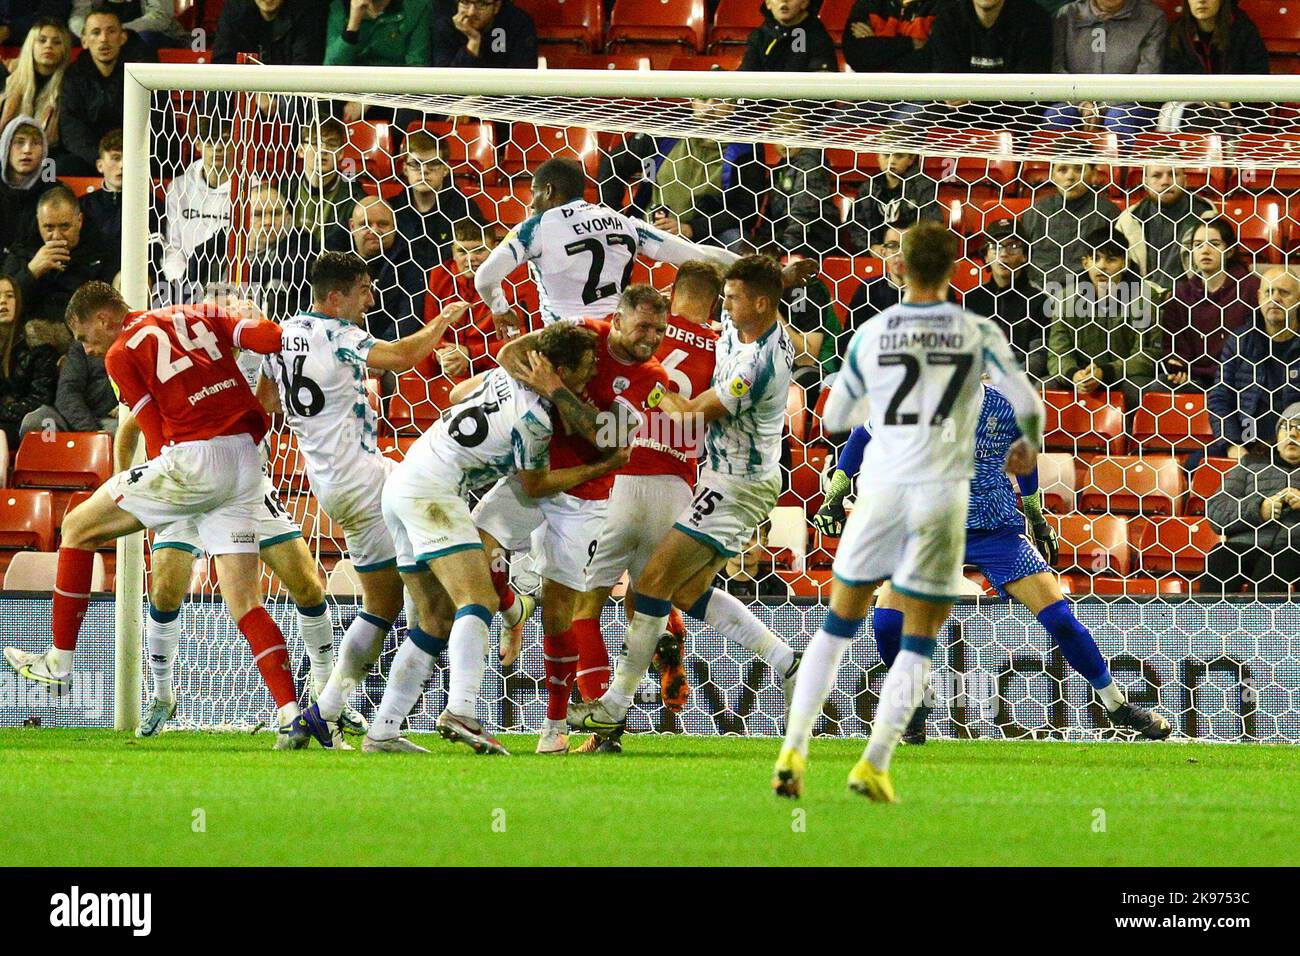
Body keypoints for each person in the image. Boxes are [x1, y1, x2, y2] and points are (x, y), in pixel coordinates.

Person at [773, 222, 1044, 802]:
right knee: (921, 637)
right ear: (955, 267)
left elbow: (836, 418)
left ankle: (794, 748)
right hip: (941, 495)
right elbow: (1027, 403)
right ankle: (874, 763)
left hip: (883, 489)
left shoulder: (874, 332)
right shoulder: (976, 330)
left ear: (899, 268)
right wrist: (1026, 446)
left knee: (838, 624)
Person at [2, 282, 314, 748]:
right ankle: (292, 715)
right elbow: (268, 337)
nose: (87, 349)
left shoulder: (120, 353)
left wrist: (157, 481)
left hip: (192, 462)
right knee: (245, 601)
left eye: (87, 338)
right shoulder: (199, 313)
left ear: (106, 319)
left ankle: (60, 660)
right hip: (247, 462)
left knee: (77, 527)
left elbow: (149, 427)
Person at [317, 321, 624, 754]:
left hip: (407, 480)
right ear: (559, 370)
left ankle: (382, 731)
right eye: (587, 367)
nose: (594, 374)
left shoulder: (505, 375)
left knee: (434, 620)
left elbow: (457, 395)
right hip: (434, 495)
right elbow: (535, 485)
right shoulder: (535, 418)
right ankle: (462, 709)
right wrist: (601, 466)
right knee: (476, 601)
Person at [814, 389, 1171, 746]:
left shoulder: (1003, 406)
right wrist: (834, 496)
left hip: (996, 530)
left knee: (1059, 618)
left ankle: (1118, 706)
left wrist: (1037, 518)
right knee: (887, 621)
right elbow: (862, 435)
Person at [567, 257, 805, 751]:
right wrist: (784, 277)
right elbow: (755, 298)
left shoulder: (755, 363)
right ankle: (789, 665)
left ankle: (612, 706)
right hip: (702, 478)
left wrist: (651, 389)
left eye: (735, 299)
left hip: (729, 482)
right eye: (726, 295)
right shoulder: (741, 330)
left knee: (644, 585)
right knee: (686, 591)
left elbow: (694, 412)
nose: (727, 305)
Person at [254, 251, 467, 750]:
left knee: (391, 598)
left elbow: (264, 402)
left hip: (333, 482)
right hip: (368, 482)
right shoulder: (338, 334)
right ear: (335, 296)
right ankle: (383, 719)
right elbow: (401, 358)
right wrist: (441, 319)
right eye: (364, 290)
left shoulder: (279, 335)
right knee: (428, 591)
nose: (370, 299)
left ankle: (326, 713)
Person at [475, 286, 675, 753]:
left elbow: (608, 440)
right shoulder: (585, 334)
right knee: (473, 549)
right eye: (643, 327)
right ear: (619, 319)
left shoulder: (652, 376)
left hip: (584, 500)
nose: (651, 338)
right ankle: (510, 607)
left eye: (660, 330)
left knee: (559, 611)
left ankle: (555, 727)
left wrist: (556, 389)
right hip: (533, 474)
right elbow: (510, 352)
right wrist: (552, 391)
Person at [474, 158, 809, 331]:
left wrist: (501, 310)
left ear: (547, 191)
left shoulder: (537, 227)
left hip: (564, 345)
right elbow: (699, 256)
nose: (531, 202)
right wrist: (772, 272)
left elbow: (485, 277)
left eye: (533, 194)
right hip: (619, 338)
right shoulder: (624, 222)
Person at [1046, 227, 1161, 410]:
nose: (1102, 266)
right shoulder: (1065, 299)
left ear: (1125, 263)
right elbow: (1057, 352)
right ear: (1085, 263)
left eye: (1111, 259)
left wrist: (1105, 373)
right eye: (1095, 258)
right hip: (1081, 375)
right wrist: (1074, 375)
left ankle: (1133, 438)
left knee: (1138, 389)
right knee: (1044, 388)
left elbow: (1147, 355)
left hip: (1124, 376)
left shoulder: (1144, 297)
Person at [188, 181, 317, 323]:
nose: (268, 221)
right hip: (218, 329)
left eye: (276, 213)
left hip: (275, 330)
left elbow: (299, 272)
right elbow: (189, 286)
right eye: (258, 214)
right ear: (243, 218)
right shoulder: (215, 247)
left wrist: (247, 270)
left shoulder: (301, 242)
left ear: (287, 216)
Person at [1204, 408, 1300, 595]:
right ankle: (1211, 622)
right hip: (1248, 541)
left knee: (1271, 571)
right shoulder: (1251, 464)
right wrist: (1261, 509)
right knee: (1221, 556)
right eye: (1285, 427)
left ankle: (1260, 624)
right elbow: (1216, 511)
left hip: (1292, 547)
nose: (1292, 433)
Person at [1209, 268, 1300, 459]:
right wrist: (1233, 445)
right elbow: (1219, 398)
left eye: (1284, 292)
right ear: (1259, 298)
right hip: (1247, 443)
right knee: (1191, 466)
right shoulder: (1239, 341)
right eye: (1268, 292)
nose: (1275, 298)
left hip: (1294, 446)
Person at [1158, 216, 1257, 391]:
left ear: (1229, 250)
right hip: (1195, 378)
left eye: (1214, 244)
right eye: (1198, 245)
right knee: (1158, 387)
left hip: (1240, 378)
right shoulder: (1181, 294)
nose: (1205, 250)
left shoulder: (1251, 288)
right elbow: (1173, 345)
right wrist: (1179, 366)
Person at [418, 220, 522, 383]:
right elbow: (431, 328)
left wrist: (471, 354)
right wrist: (442, 354)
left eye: (479, 250)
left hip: (498, 371)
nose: (470, 258)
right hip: (449, 368)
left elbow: (521, 340)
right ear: (452, 252)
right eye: (462, 251)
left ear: (495, 248)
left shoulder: (515, 280)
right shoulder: (439, 276)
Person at [58, 4, 157, 175]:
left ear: (123, 37)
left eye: (111, 31)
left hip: (136, 156)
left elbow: (157, 123)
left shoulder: (142, 73)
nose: (104, 39)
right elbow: (72, 130)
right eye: (96, 32)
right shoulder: (73, 77)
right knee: (62, 167)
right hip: (92, 159)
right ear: (84, 41)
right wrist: (102, 160)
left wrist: (126, 158)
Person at [1049, 0, 1167, 138]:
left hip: (1131, 104)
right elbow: (1057, 69)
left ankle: (1121, 160)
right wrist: (1081, 104)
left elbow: (1147, 76)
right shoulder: (1067, 14)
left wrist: (1102, 107)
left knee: (1119, 117)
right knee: (1057, 114)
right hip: (1075, 101)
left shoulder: (1152, 17)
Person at [3, 185, 119, 323]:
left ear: (79, 220)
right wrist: (32, 272)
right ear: (39, 221)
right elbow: (5, 303)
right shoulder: (22, 250)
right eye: (49, 227)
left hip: (82, 333)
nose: (57, 236)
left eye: (65, 226)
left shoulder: (103, 249)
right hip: (26, 335)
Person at [326, 195, 428, 340]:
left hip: (387, 353)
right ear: (352, 226)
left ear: (394, 226)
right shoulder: (333, 260)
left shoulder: (411, 262)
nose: (374, 231)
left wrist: (374, 352)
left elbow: (408, 319)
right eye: (365, 224)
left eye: (382, 224)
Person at [1017, 152, 1122, 291]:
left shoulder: (1108, 213)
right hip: (1038, 295)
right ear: (1052, 175)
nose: (1070, 177)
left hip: (1088, 296)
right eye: (1062, 170)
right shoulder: (1035, 212)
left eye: (1079, 169)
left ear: (1094, 175)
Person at [1161, 0, 1269, 133]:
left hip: (1240, 113)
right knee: (1191, 112)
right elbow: (1171, 82)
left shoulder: (1244, 31)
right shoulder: (1177, 33)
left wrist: (1232, 101)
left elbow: (1259, 81)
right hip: (1192, 107)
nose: (1201, 1)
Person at [963, 219, 1051, 379]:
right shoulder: (970, 300)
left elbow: (1039, 356)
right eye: (995, 247)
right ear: (985, 255)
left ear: (1025, 255)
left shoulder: (1039, 301)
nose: (1003, 254)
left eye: (1013, 246)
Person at [160, 116, 235, 295]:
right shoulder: (179, 188)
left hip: (232, 286)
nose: (218, 147)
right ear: (198, 145)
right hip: (186, 283)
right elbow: (173, 246)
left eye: (225, 140)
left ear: (236, 144)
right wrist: (180, 282)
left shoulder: (251, 189)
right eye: (210, 141)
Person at [1115, 165, 1215, 298]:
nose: (1165, 182)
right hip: (1140, 302)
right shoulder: (1129, 220)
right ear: (1145, 182)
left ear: (1185, 180)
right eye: (1156, 176)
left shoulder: (1204, 216)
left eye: (1173, 175)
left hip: (1190, 301)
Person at [394, 130, 482, 274]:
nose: (424, 170)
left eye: (433, 163)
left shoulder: (464, 209)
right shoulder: (392, 209)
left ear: (446, 169)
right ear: (405, 168)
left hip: (448, 291)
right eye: (416, 164)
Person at [754, 114, 839, 257]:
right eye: (779, 135)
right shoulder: (780, 168)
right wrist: (764, 240)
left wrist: (785, 246)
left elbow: (805, 209)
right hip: (787, 237)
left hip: (813, 239)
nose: (785, 142)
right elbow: (771, 212)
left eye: (792, 135)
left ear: (805, 137)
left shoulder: (811, 165)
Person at [0, 273, 67, 446]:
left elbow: (41, 399)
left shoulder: (38, 346)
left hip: (26, 424)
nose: (3, 301)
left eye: (9, 295)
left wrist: (4, 411)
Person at [18, 325, 118, 438]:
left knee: (123, 433)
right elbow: (67, 391)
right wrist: (90, 431)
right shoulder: (81, 346)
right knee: (37, 421)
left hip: (110, 420)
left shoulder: (130, 344)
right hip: (75, 418)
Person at [0, 18, 72, 174]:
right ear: (30, 45)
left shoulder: (71, 86)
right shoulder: (7, 75)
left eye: (56, 42)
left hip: (48, 156)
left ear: (65, 49)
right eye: (42, 40)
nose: (48, 46)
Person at [845, 151, 940, 255]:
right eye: (886, 155)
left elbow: (932, 224)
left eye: (899, 156)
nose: (891, 161)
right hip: (878, 254)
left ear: (911, 159)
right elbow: (855, 226)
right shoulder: (868, 188)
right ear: (877, 156)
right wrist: (871, 247)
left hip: (913, 254)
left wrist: (912, 246)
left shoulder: (923, 187)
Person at [925, 0, 1052, 74]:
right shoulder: (948, 18)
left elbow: (1029, 88)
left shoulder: (1035, 19)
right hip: (956, 115)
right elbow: (948, 88)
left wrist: (969, 92)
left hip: (1017, 114)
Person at [293, 117, 364, 236]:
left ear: (341, 153)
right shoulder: (283, 190)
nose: (323, 150)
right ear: (301, 150)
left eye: (331, 144)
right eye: (315, 143)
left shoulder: (355, 198)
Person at [0, 114, 53, 257]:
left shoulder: (53, 193)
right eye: (19, 142)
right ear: (6, 147)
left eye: (36, 143)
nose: (27, 150)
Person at [213, 0, 329, 66]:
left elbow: (303, 68)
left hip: (289, 94)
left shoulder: (308, 12)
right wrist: (254, 92)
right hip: (245, 92)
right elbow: (222, 61)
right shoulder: (234, 10)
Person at [431, 0, 538, 69]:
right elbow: (447, 82)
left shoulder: (518, 22)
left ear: (496, 6)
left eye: (481, 4)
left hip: (503, 101)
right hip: (455, 102)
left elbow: (522, 78)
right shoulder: (445, 23)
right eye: (465, 3)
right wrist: (473, 42)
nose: (471, 12)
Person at [841, 0, 941, 73]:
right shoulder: (867, 4)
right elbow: (857, 57)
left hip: (922, 92)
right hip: (872, 90)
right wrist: (911, 43)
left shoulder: (942, 6)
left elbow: (933, 61)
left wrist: (876, 44)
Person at [325, 0, 433, 68]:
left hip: (394, 89)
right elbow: (330, 69)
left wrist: (367, 99)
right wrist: (352, 26)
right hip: (349, 86)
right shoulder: (340, 7)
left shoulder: (417, 7)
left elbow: (417, 65)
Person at [740, 0, 837, 72]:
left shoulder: (819, 39)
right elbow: (745, 77)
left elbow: (820, 91)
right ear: (768, 3)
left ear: (805, 2)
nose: (784, 1)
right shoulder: (759, 37)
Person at [69, 0, 188, 49]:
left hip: (159, 36)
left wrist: (116, 31)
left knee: (145, 38)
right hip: (110, 35)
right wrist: (87, 32)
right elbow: (78, 16)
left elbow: (161, 18)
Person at [80, 128, 123, 251]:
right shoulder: (83, 206)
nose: (122, 165)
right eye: (115, 158)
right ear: (100, 166)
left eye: (129, 158)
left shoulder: (150, 205)